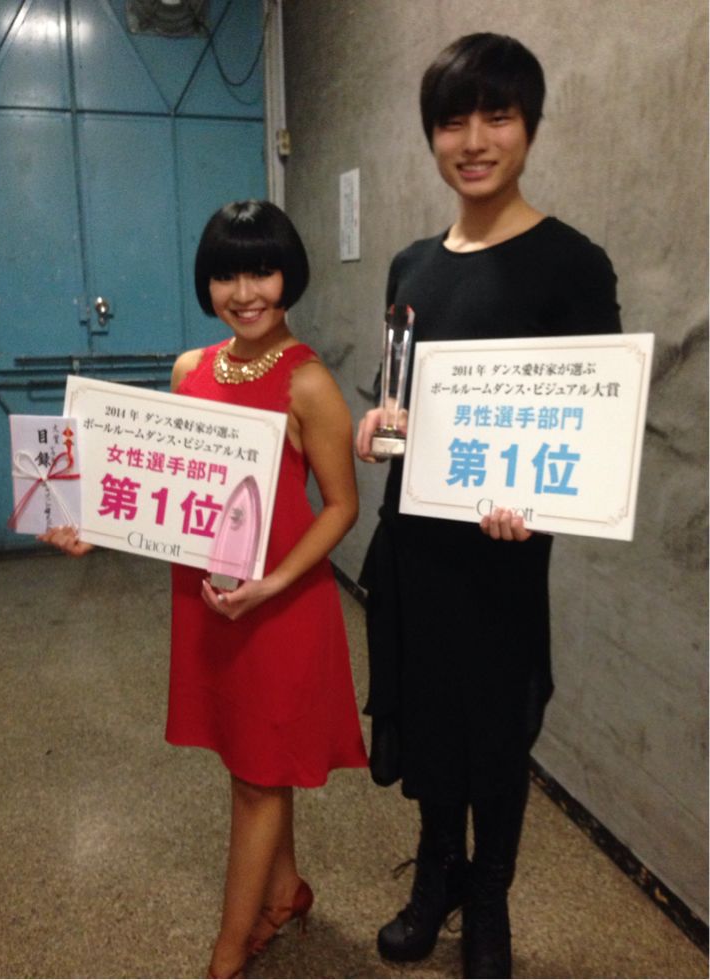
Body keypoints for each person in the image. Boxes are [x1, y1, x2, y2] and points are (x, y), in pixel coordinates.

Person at [42, 199, 368, 979]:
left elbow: (342, 506)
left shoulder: (308, 382)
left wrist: (271, 584)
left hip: (279, 605)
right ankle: (283, 891)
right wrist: (93, 528)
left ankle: (227, 954)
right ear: (206, 282)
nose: (244, 292)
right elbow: (162, 491)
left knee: (258, 775)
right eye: (226, 275)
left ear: (289, 276)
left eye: (262, 271)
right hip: (209, 600)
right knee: (250, 758)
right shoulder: (191, 369)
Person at [356, 33, 621, 979]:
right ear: (431, 134)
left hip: (503, 555)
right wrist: (377, 422)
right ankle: (437, 877)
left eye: (496, 116)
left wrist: (539, 504)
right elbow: (401, 392)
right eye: (451, 121)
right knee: (429, 721)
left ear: (529, 128)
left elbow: (593, 427)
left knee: (496, 732)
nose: (473, 141)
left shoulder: (570, 264)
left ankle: (490, 898)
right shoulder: (410, 266)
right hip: (414, 546)